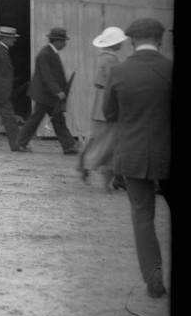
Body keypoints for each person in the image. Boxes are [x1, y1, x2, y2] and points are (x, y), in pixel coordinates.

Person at [102, 17, 172, 298]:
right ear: (160, 40)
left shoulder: (118, 72)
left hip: (132, 154)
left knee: (143, 218)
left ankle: (154, 278)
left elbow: (109, 114)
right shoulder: (170, 69)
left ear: (131, 42)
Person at [16, 26, 79, 154]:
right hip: (44, 95)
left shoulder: (50, 52)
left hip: (48, 95)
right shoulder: (45, 54)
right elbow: (47, 75)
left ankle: (68, 146)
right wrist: (57, 91)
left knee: (57, 119)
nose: (65, 44)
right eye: (63, 41)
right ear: (56, 40)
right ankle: (20, 143)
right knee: (36, 120)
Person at [79, 26, 126, 191]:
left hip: (99, 101)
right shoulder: (111, 60)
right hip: (108, 102)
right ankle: (104, 176)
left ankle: (84, 163)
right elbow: (115, 83)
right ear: (116, 43)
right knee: (109, 141)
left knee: (96, 137)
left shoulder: (103, 57)